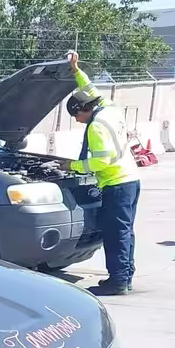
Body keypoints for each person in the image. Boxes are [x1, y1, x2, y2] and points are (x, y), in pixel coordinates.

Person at [66, 51, 140, 296]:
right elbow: (90, 89)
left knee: (116, 233)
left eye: (76, 115)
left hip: (116, 182)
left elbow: (101, 162)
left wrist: (73, 167)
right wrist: (76, 70)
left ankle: (117, 282)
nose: (77, 120)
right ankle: (125, 276)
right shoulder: (110, 108)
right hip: (131, 179)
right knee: (126, 230)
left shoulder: (96, 126)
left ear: (83, 110)